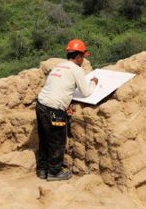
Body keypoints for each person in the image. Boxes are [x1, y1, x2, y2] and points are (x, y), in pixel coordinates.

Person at [35, 39, 99, 181]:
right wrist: (94, 83)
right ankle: (54, 172)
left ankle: (42, 169)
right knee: (57, 140)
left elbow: (59, 87)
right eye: (83, 57)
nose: (83, 60)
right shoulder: (77, 69)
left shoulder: (59, 67)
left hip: (40, 105)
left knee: (44, 139)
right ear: (78, 57)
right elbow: (86, 92)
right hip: (53, 109)